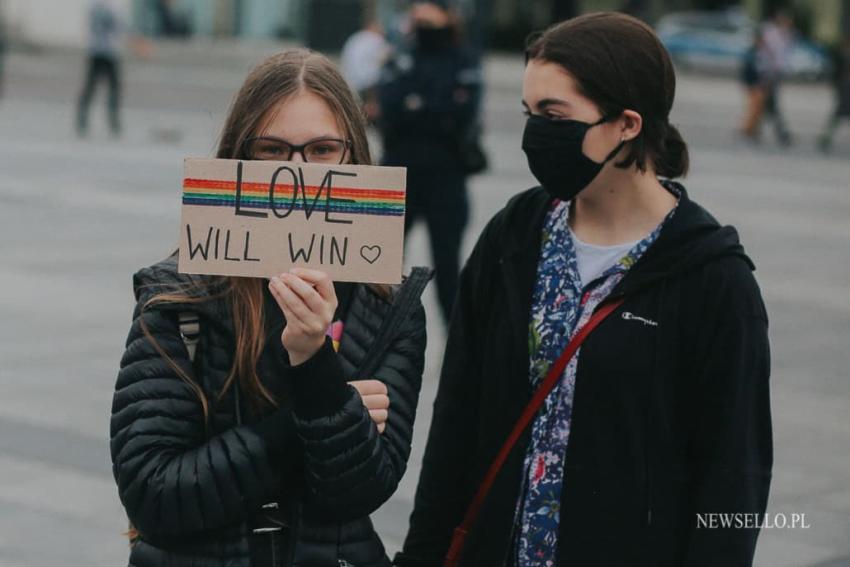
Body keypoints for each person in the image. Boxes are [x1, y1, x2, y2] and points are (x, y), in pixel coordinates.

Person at [396, 12, 771, 567]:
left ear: (627, 124)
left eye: (554, 114)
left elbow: (733, 478)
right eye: (529, 113)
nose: (535, 134)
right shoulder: (513, 236)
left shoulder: (713, 278)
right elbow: (456, 420)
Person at [110, 49, 428, 567]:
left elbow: (360, 492)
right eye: (273, 150)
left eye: (322, 149)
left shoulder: (388, 304)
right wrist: (308, 415)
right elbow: (153, 494)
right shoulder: (178, 296)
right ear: (240, 158)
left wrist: (314, 362)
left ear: (354, 156)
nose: (298, 173)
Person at [378, 0, 482, 325]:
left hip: (446, 179)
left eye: (429, 9)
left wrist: (416, 106)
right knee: (381, 270)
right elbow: (388, 108)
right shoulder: (400, 54)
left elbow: (461, 115)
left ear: (448, 15)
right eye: (416, 9)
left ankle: (458, 355)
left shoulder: (464, 58)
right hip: (397, 176)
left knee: (447, 271)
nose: (420, 15)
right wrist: (432, 106)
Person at [77, 0, 126, 137]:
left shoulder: (93, 6)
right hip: (108, 51)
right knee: (111, 88)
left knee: (93, 88)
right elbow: (118, 27)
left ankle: (84, 119)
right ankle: (112, 120)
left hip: (96, 50)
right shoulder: (111, 7)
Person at [752, 9, 795, 146]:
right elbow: (764, 48)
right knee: (771, 104)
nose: (788, 24)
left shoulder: (786, 35)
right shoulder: (771, 33)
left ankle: (758, 132)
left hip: (776, 73)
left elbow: (784, 54)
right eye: (786, 21)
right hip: (769, 72)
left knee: (768, 105)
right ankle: (781, 134)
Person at [340, 19, 391, 123]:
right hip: (369, 80)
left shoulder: (355, 37)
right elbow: (384, 57)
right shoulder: (375, 39)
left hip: (351, 77)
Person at [818, 38, 850, 152]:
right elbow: (836, 73)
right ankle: (825, 139)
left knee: (837, 116)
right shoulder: (841, 55)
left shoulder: (842, 55)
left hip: (844, 87)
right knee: (837, 115)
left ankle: (825, 139)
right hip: (845, 88)